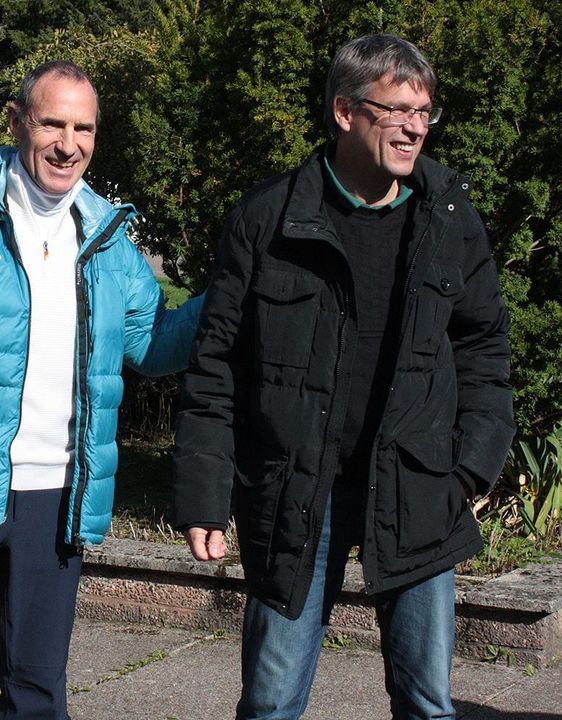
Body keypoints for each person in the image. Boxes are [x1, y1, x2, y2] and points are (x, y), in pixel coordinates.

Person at [172, 34, 515, 720]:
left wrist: (469, 470)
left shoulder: (448, 216)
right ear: (345, 111)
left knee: (428, 702)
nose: (416, 127)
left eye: (425, 112)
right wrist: (204, 493)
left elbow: (484, 350)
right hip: (298, 491)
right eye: (398, 111)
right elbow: (216, 366)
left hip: (418, 488)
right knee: (271, 703)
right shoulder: (267, 219)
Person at [0, 59, 200, 719]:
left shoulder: (105, 242)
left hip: (57, 500)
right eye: (52, 123)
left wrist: (231, 295)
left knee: (39, 692)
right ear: (19, 122)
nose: (67, 143)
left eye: (83, 128)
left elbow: (153, 348)